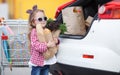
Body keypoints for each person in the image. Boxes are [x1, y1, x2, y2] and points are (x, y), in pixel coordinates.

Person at [26, 5, 59, 75]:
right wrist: (47, 45)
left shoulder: (47, 30)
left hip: (46, 61)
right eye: (40, 19)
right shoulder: (34, 31)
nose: (43, 20)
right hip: (38, 62)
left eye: (45, 18)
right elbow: (36, 45)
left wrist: (56, 41)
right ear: (33, 22)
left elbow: (51, 39)